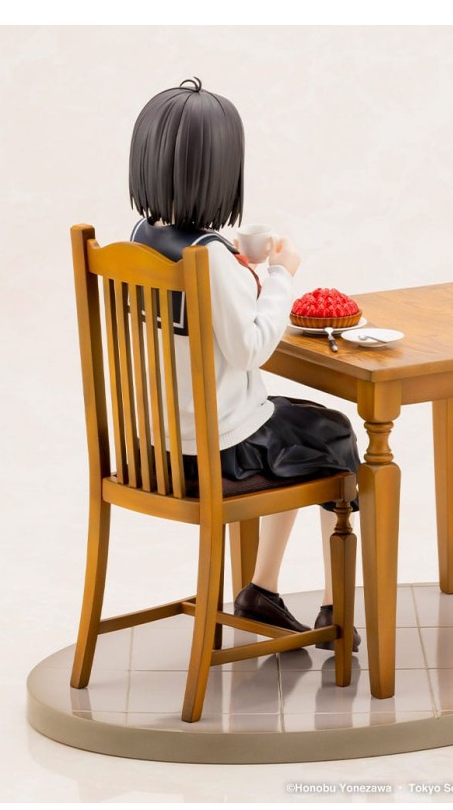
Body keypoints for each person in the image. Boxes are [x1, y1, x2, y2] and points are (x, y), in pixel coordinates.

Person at [128, 78, 360, 649]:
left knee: (300, 428)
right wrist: (281, 274)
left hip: (155, 449)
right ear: (222, 172)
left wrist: (237, 266)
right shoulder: (209, 258)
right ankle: (336, 613)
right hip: (217, 453)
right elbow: (252, 348)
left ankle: (263, 590)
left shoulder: (139, 240)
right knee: (334, 434)